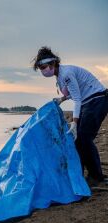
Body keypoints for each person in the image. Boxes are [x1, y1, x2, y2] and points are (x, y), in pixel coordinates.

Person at [32, 46, 108, 185]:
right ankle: (83, 173)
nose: (43, 70)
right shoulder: (60, 76)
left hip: (97, 100)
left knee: (84, 137)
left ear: (53, 63)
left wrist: (74, 122)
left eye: (44, 66)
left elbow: (77, 99)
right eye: (40, 67)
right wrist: (62, 99)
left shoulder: (66, 74)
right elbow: (73, 92)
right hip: (88, 102)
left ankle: (97, 177)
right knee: (78, 139)